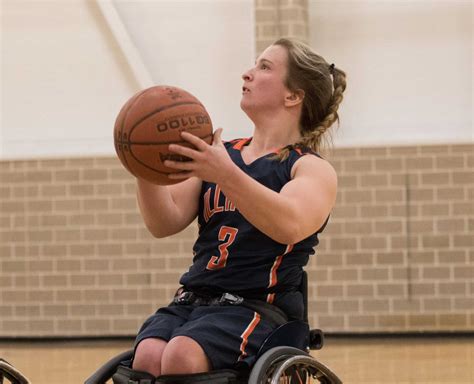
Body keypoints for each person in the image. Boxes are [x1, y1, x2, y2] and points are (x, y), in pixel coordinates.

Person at [130, 37, 347, 378]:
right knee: (148, 354)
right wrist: (145, 168)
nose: (247, 74)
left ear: (293, 95)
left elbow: (289, 224)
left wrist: (225, 174)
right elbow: (164, 222)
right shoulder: (221, 154)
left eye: (264, 67)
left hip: (258, 307)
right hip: (194, 300)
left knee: (181, 356)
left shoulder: (308, 168)